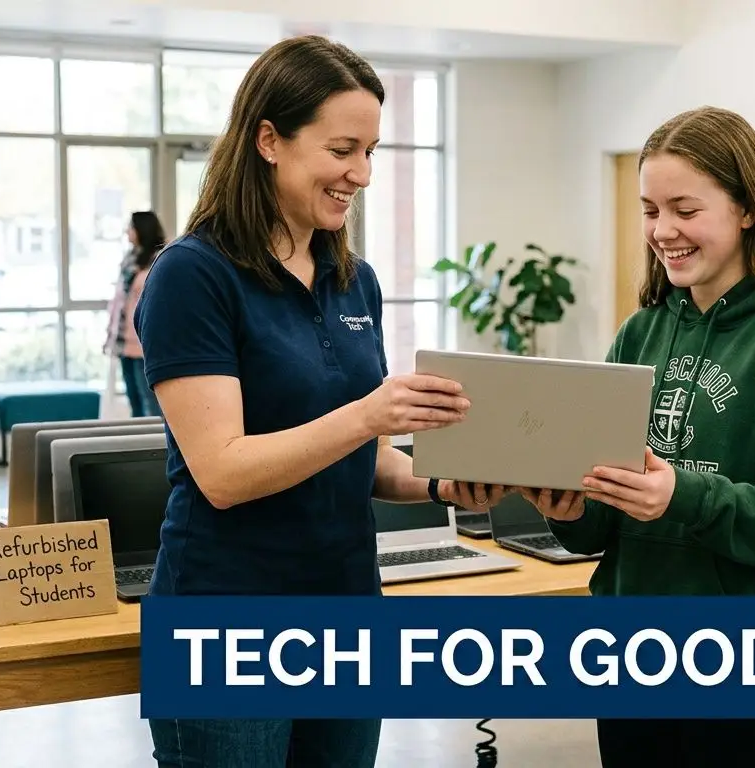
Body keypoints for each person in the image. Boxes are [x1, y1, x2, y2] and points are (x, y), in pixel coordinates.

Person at [134, 35, 504, 767]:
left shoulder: (353, 279)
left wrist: (439, 481)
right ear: (269, 139)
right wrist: (369, 414)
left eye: (371, 152)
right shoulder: (191, 276)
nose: (360, 174)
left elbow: (364, 464)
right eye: (342, 150)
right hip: (226, 618)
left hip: (345, 606)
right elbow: (223, 472)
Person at [525, 106, 755, 768]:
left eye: (685, 209)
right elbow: (604, 521)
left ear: (747, 208)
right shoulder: (640, 333)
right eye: (651, 210)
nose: (663, 231)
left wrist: (681, 495)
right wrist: (570, 508)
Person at [104, 210, 164, 418]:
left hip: (144, 343)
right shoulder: (130, 258)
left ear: (142, 229)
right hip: (123, 340)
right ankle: (139, 448)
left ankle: (155, 447)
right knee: (134, 401)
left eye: (131, 227)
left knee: (151, 403)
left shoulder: (160, 259)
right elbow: (121, 298)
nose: (127, 231)